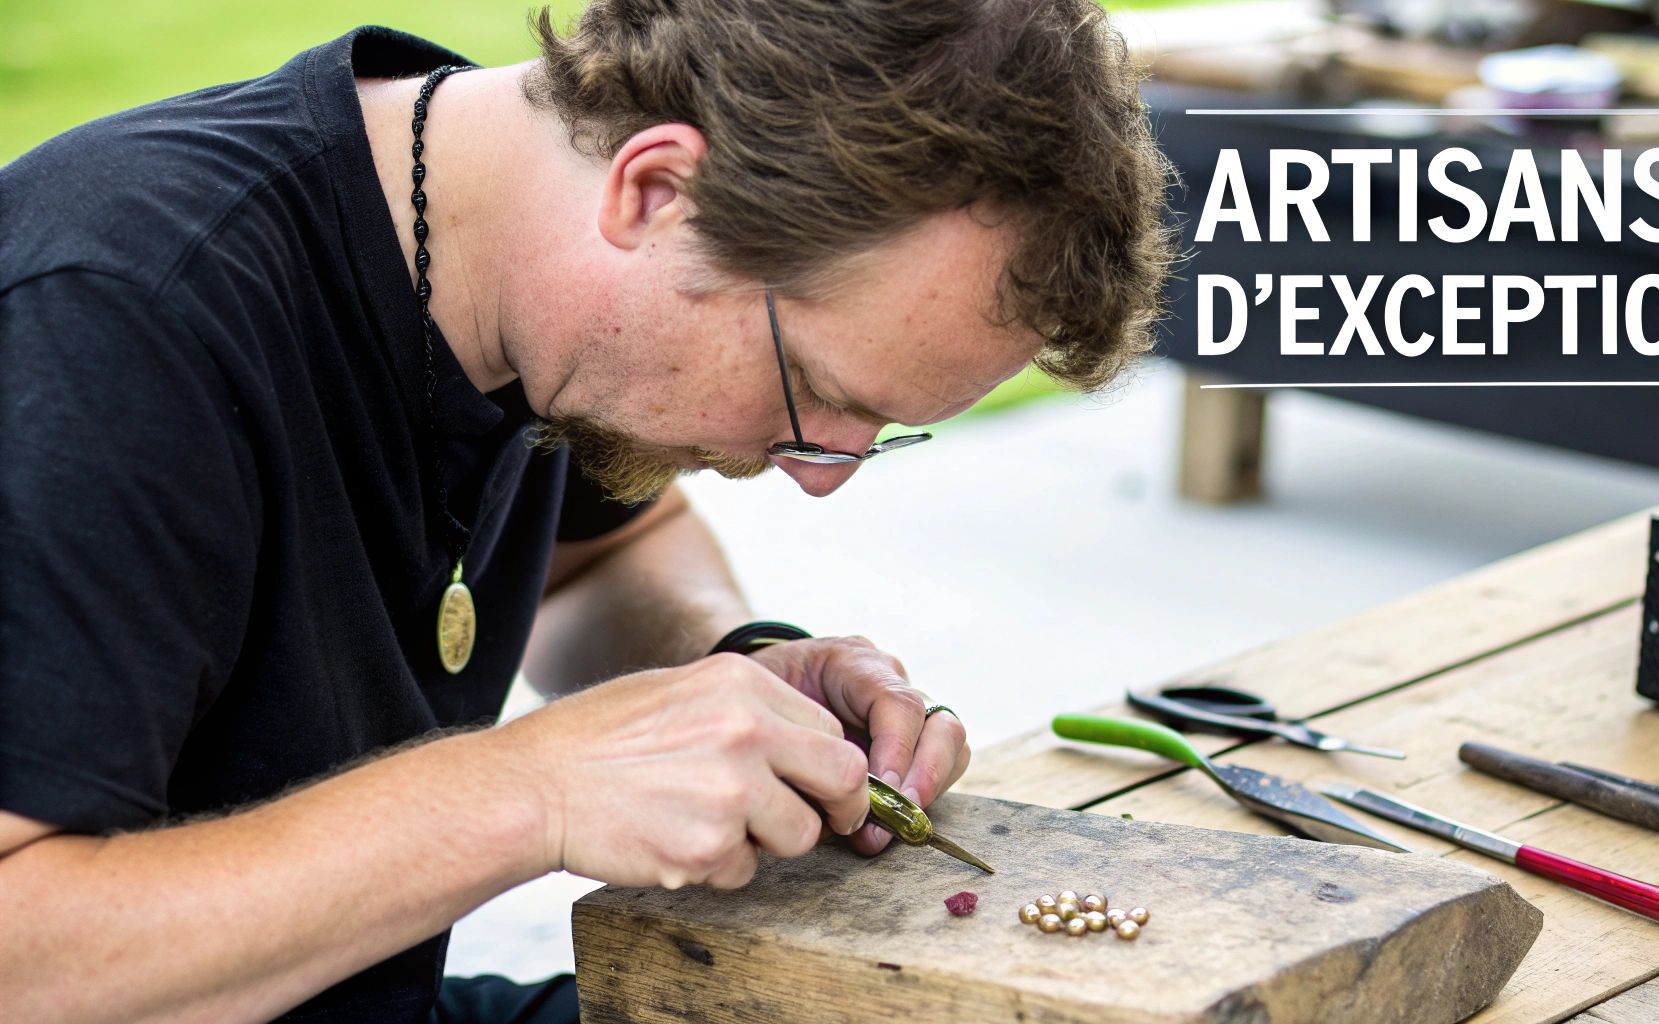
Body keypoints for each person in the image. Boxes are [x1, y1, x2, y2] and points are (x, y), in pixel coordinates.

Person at [0, 0, 1169, 1019]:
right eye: (814, 388)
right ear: (655, 188)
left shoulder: (509, 273)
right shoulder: (113, 326)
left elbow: (602, 561)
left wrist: (735, 673)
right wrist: (533, 788)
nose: (823, 472)